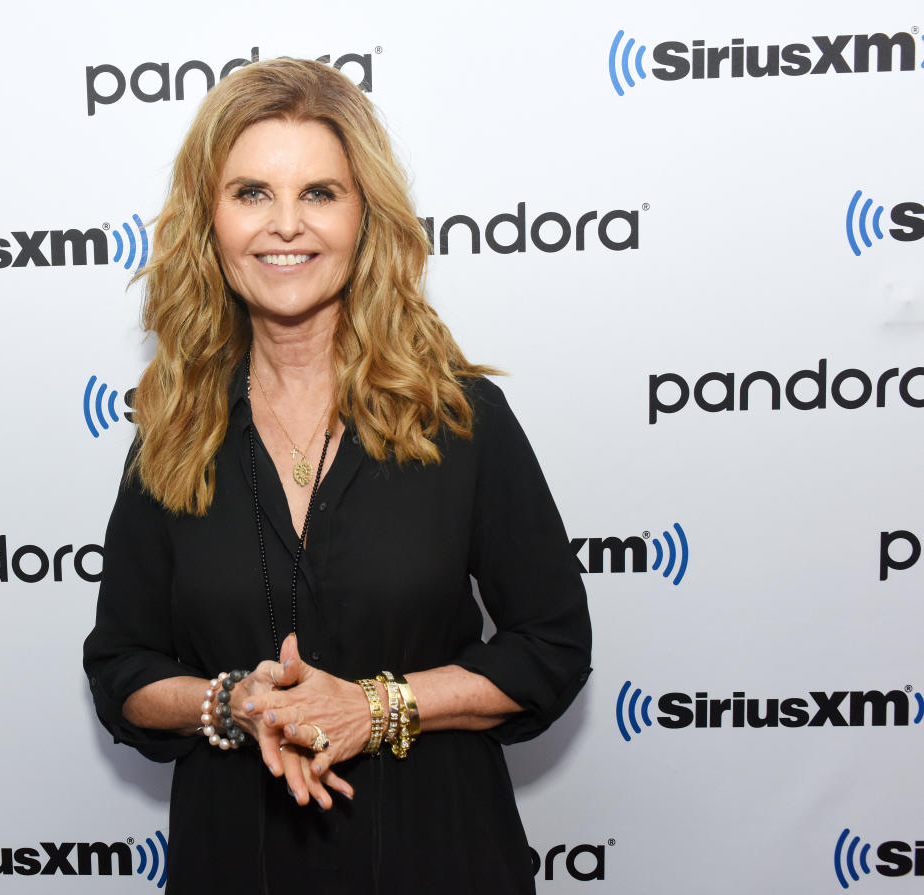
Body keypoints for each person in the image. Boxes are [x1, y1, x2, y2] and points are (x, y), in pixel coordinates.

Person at [83, 58, 591, 893]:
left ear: (366, 218)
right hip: (236, 859)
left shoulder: (459, 418)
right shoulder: (173, 432)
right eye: (251, 193)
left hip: (441, 855)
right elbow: (122, 668)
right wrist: (234, 703)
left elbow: (553, 647)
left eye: (319, 192)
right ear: (208, 222)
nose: (286, 225)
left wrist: (375, 707)